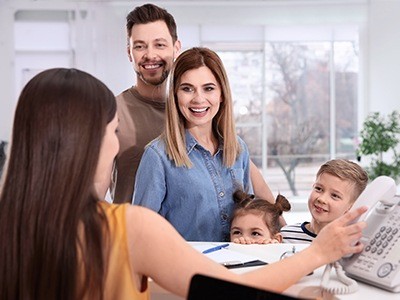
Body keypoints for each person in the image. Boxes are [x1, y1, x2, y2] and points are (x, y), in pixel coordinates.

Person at [0, 67, 368, 300]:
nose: (116, 145)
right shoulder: (128, 226)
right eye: (113, 132)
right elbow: (225, 291)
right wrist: (320, 252)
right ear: (88, 143)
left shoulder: (11, 229)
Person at [113, 3, 275, 205]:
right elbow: (92, 186)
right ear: (129, 52)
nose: (150, 55)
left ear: (176, 48)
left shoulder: (199, 113)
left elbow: (244, 170)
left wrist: (284, 230)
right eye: (139, 46)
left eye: (160, 44)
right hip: (136, 231)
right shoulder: (111, 112)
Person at [280, 159, 368, 243]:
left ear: (351, 206)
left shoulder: (351, 244)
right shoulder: (285, 235)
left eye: (334, 195)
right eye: (318, 188)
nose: (322, 199)